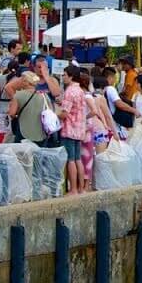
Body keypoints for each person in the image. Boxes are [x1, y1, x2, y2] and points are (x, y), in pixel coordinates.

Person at [57, 66, 89, 195]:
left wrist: (55, 115)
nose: (63, 77)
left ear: (71, 76)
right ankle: (81, 188)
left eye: (64, 75)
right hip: (79, 129)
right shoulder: (80, 90)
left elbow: (65, 113)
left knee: (70, 160)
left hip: (69, 129)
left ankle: (73, 189)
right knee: (77, 159)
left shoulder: (69, 91)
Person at [8, 72, 50, 144]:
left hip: (23, 131)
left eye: (21, 80)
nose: (20, 82)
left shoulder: (18, 95)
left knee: (22, 150)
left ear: (26, 82)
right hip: (40, 132)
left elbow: (12, 113)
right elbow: (49, 110)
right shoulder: (44, 95)